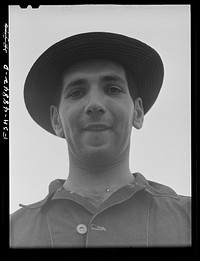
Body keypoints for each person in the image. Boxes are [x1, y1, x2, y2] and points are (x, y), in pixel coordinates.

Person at [10, 32, 191, 248]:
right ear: (57, 120)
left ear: (138, 112)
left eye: (113, 89)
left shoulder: (187, 219)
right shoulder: (14, 232)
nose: (95, 104)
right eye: (76, 92)